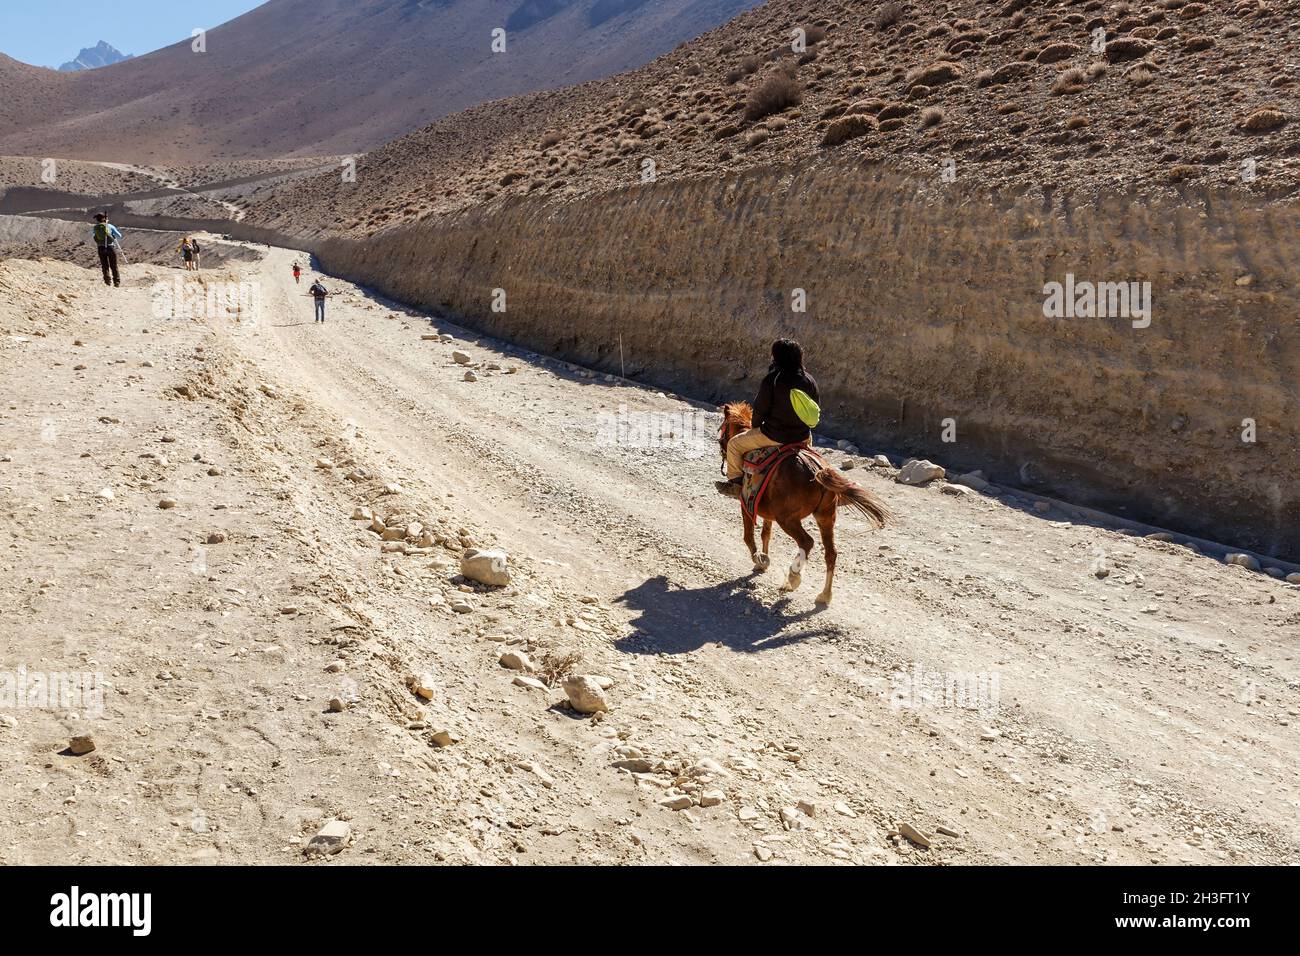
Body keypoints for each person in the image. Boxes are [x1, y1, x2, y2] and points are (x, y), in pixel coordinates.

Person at [717, 338, 820, 495]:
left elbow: (760, 409)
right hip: (803, 437)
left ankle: (736, 485)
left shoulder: (773, 379)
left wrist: (756, 426)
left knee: (733, 445)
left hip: (774, 436)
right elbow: (815, 408)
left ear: (777, 357)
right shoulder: (809, 379)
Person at [91, 213, 123, 288]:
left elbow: (94, 236)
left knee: (105, 266)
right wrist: (112, 235)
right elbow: (119, 236)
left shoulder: (95, 227)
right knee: (114, 266)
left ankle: (107, 282)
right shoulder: (110, 226)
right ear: (104, 218)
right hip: (110, 247)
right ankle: (116, 282)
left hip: (101, 248)